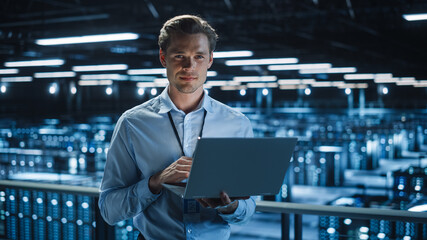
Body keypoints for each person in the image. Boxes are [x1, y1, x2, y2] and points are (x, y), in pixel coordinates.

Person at [98, 15, 256, 239]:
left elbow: (248, 210)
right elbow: (108, 209)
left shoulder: (237, 124)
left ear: (210, 59)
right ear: (163, 58)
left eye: (199, 56)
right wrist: (155, 183)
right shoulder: (133, 123)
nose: (189, 66)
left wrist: (228, 206)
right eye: (179, 55)